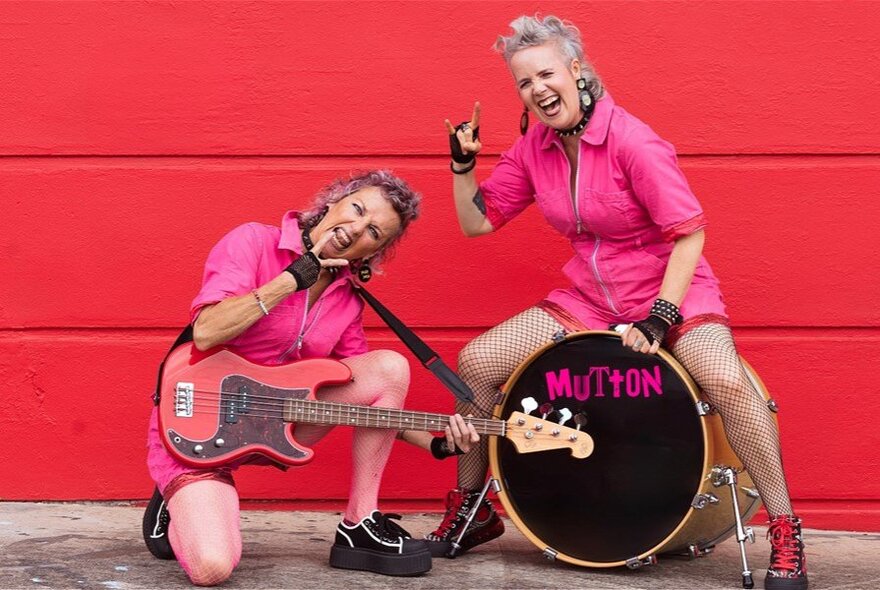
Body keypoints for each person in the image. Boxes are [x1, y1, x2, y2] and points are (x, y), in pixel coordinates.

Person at [427, 15, 807, 590]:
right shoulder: (537, 145)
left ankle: (784, 527)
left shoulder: (633, 139)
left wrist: (662, 316)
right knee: (480, 361)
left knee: (727, 381)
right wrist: (462, 167)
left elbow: (689, 234)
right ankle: (477, 508)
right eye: (523, 83)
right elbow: (479, 221)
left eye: (546, 73)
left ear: (576, 69)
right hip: (591, 297)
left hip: (668, 290)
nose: (537, 89)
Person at [141, 170, 479, 585]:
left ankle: (359, 524)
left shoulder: (347, 296)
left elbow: (373, 398)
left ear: (377, 250)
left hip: (275, 420)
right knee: (213, 567)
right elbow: (208, 330)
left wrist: (438, 443)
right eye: (356, 209)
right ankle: (177, 499)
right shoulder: (253, 242)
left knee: (389, 367)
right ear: (333, 201)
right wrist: (293, 278)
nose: (355, 229)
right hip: (195, 418)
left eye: (374, 230)